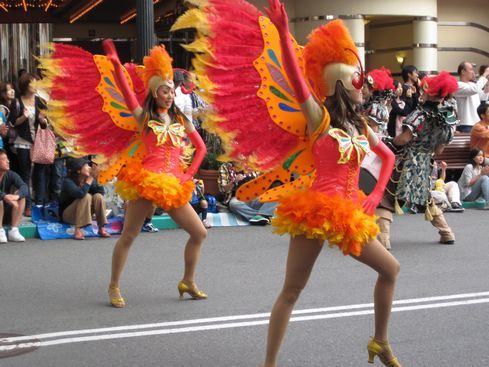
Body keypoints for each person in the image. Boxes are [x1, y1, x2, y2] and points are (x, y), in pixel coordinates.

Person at [39, 41, 210, 307]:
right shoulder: (143, 117)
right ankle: (114, 286)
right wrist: (117, 64)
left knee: (199, 233)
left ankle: (188, 280)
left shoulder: (180, 119)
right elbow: (125, 91)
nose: (168, 94)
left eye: (171, 90)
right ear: (155, 93)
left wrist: (188, 175)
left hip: (174, 183)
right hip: (146, 181)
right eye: (164, 90)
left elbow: (201, 148)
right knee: (130, 235)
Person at [383, 72, 459, 246]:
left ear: (431, 93)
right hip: (426, 163)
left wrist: (389, 142)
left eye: (425, 89)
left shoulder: (420, 115)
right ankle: (447, 233)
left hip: (406, 161)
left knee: (387, 197)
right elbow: (440, 148)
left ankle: (384, 239)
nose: (422, 92)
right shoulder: (448, 119)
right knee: (425, 198)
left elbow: (404, 139)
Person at [59, 158, 110, 240]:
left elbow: (101, 192)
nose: (89, 168)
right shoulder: (67, 182)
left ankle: (101, 228)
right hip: (69, 215)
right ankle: (78, 229)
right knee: (86, 196)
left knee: (98, 196)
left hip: (84, 214)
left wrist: (97, 178)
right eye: (86, 166)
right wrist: (90, 179)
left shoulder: (89, 179)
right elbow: (80, 194)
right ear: (78, 170)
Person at [0, 149, 28, 243]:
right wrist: (4, 196)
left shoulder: (10, 174)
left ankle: (14, 230)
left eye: (7, 158)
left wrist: (17, 196)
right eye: (4, 159)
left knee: (22, 196)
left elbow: (24, 187)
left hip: (6, 212)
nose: (8, 161)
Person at [454, 61, 489, 132]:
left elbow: (483, 97)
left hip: (477, 122)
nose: (473, 72)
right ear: (463, 71)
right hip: (466, 124)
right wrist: (485, 74)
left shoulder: (472, 84)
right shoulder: (458, 85)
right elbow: (475, 90)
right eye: (471, 69)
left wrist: (488, 81)